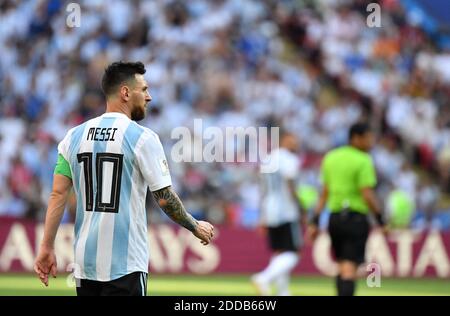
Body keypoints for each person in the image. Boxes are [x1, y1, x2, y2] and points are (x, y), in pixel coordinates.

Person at [34, 61, 214, 296]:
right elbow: (164, 198)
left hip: (85, 265)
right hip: (126, 265)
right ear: (126, 92)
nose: (149, 97)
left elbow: (58, 193)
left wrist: (46, 246)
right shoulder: (142, 138)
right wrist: (194, 225)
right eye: (145, 89)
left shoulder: (73, 137)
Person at [307, 122, 385, 296]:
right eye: (368, 138)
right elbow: (367, 194)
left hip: (334, 219)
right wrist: (380, 219)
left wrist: (315, 220)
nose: (370, 142)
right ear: (356, 138)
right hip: (355, 219)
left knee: (343, 265)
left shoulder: (330, 157)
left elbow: (324, 194)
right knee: (349, 268)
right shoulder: (363, 160)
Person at [251, 132, 304, 296]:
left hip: (270, 208)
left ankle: (283, 291)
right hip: (286, 209)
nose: (295, 143)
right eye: (292, 140)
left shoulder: (268, 159)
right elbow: (290, 183)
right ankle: (264, 278)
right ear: (283, 140)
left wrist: (262, 215)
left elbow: (263, 189)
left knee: (280, 252)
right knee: (293, 253)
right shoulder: (289, 158)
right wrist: (301, 206)